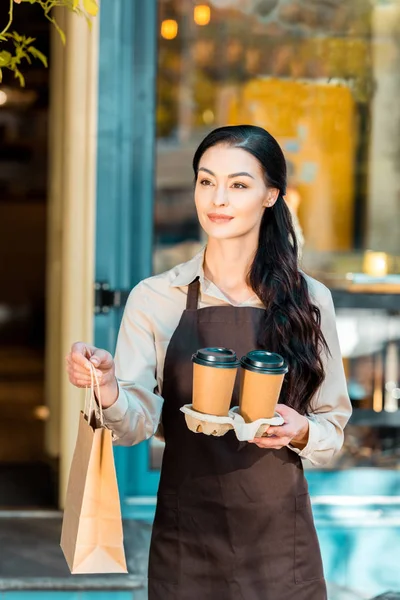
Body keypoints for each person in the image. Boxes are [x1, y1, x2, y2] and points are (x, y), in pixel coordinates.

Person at [66, 125, 352, 600]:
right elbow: (135, 427)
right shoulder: (156, 297)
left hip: (282, 546)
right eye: (206, 180)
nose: (218, 198)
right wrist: (110, 386)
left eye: (239, 184)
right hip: (187, 541)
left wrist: (300, 430)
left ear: (270, 195)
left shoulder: (309, 301)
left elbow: (333, 431)